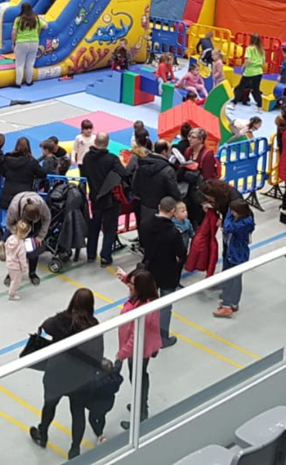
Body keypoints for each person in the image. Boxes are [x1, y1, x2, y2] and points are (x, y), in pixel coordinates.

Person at [29, 288, 107, 457]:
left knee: (49, 404)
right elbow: (97, 352)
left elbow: (45, 325)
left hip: (57, 373)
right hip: (81, 378)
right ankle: (74, 449)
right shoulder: (93, 325)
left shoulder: (61, 321)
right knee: (78, 413)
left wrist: (64, 314)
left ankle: (43, 433)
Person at [114, 268, 161, 428]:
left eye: (132, 284)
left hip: (139, 350)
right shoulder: (145, 297)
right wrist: (125, 277)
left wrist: (121, 354)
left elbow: (136, 338)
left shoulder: (145, 309)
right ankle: (140, 405)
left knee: (138, 378)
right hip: (139, 348)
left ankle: (140, 413)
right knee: (138, 377)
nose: (129, 285)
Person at [139, 196, 187, 346]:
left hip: (150, 268)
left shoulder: (145, 223)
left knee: (146, 302)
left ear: (159, 206)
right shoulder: (173, 233)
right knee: (165, 306)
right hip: (168, 271)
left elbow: (142, 243)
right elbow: (182, 253)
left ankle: (143, 332)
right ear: (173, 211)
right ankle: (162, 337)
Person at [80, 132, 128, 266]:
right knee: (109, 229)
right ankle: (106, 256)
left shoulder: (87, 157)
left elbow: (83, 176)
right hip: (110, 199)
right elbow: (124, 174)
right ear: (107, 143)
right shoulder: (112, 159)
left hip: (94, 197)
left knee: (93, 227)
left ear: (95, 142)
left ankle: (90, 254)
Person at [213, 199, 255, 318]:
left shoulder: (246, 223)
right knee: (229, 277)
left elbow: (228, 226)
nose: (231, 213)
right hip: (231, 252)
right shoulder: (237, 218)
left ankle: (228, 305)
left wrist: (223, 222)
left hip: (238, 255)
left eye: (233, 211)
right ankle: (231, 302)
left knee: (233, 280)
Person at [12, 2, 45, 87]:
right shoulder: (36, 19)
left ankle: (18, 83)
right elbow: (46, 26)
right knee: (30, 63)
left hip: (21, 42)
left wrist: (13, 43)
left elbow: (14, 33)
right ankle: (29, 81)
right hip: (34, 42)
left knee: (20, 64)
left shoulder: (18, 19)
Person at [233, 33, 265, 108]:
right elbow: (263, 62)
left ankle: (234, 103)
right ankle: (260, 105)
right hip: (259, 71)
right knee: (256, 89)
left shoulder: (249, 48)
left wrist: (243, 66)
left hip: (250, 72)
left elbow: (249, 60)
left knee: (241, 87)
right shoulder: (261, 50)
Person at [5, 220, 32, 300]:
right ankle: (11, 294)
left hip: (9, 264)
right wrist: (25, 268)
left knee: (13, 279)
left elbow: (6, 247)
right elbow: (22, 259)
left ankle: (11, 289)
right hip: (16, 267)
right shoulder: (21, 245)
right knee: (16, 281)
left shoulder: (10, 238)